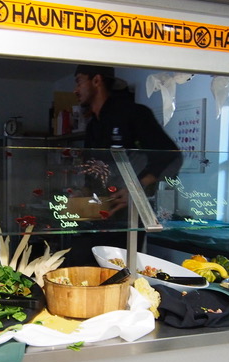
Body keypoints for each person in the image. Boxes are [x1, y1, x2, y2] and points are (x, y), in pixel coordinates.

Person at [63, 64, 182, 265]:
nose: (76, 90)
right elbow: (93, 171)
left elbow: (170, 156)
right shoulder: (93, 126)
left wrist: (135, 189)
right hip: (97, 219)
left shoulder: (133, 113)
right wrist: (81, 192)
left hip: (127, 220)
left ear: (96, 80)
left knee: (118, 277)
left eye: (78, 81)